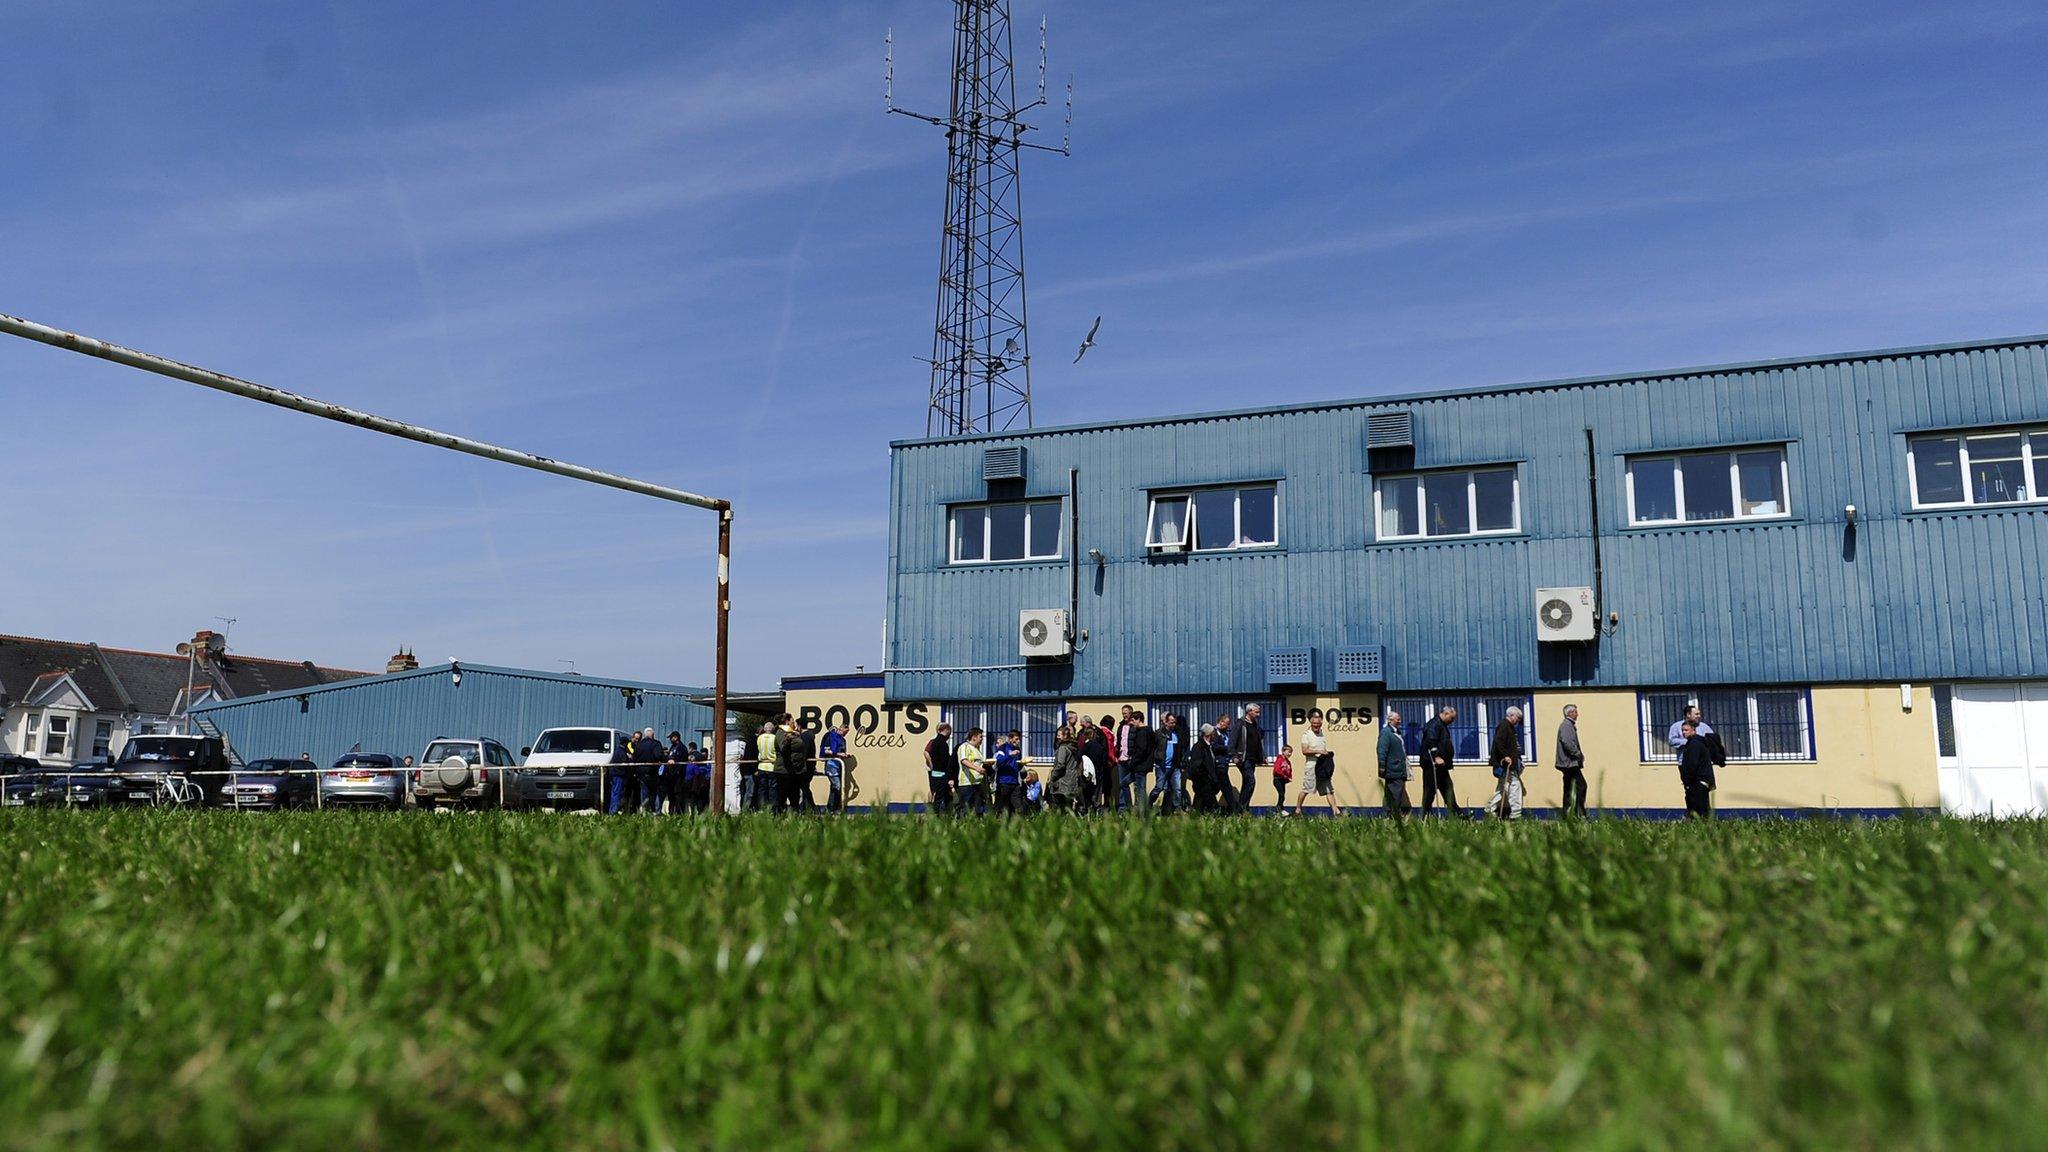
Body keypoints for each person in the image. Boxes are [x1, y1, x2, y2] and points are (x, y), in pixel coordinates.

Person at [1418, 706, 1463, 817]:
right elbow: (1431, 742)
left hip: (1442, 766)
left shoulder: (1442, 725)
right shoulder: (1434, 724)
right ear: (1446, 714)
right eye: (1452, 718)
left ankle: (1457, 815)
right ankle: (1424, 817)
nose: (1453, 721)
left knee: (1448, 788)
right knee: (1429, 792)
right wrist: (1436, 757)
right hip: (1432, 765)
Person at [1292, 712, 1337, 817]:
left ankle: (1336, 812)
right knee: (1306, 789)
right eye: (1314, 724)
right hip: (1311, 766)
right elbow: (1304, 751)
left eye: (1318, 724)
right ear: (1311, 724)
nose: (1316, 726)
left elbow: (1322, 749)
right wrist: (1319, 751)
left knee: (1329, 790)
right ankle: (1297, 810)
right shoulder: (1306, 735)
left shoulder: (1322, 734)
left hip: (1322, 766)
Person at [1676, 718, 1723, 818]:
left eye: (1686, 730)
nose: (1684, 732)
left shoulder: (1694, 744)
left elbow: (1692, 764)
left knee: (1698, 810)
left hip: (1697, 781)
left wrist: (1688, 780)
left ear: (1694, 730)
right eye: (1683, 730)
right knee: (1702, 808)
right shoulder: (1695, 743)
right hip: (1701, 781)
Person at [1488, 706, 1526, 820]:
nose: (1518, 721)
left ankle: (1489, 810)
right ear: (1512, 715)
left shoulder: (1509, 727)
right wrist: (1505, 756)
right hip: (1505, 763)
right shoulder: (1504, 726)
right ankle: (1516, 814)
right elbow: (1498, 742)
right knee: (1515, 786)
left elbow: (1513, 745)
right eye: (1518, 718)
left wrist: (1519, 759)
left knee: (1501, 788)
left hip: (1508, 762)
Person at [1149, 713, 1185, 814]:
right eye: (1171, 722)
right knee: (1159, 787)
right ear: (1166, 722)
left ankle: (1177, 808)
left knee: (1177, 788)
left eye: (1174, 722)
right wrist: (1156, 759)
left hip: (1175, 766)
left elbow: (1181, 749)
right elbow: (1153, 748)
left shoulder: (1177, 734)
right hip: (1162, 766)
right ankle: (1149, 803)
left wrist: (1182, 762)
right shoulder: (1159, 733)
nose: (1173, 724)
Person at [1119, 711, 1155, 814]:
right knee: (1124, 784)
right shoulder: (1149, 731)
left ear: (1139, 719)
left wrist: (1133, 762)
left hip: (1140, 766)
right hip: (1142, 765)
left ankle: (1142, 812)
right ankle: (1133, 808)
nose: (1132, 724)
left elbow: (1141, 750)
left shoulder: (1142, 732)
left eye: (1133, 721)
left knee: (1140, 789)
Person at [1232, 705, 1267, 811]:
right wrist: (1234, 755)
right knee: (1251, 781)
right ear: (1249, 711)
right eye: (1256, 712)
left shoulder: (1255, 724)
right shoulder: (1241, 723)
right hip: (1243, 759)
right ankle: (1241, 808)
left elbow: (1259, 739)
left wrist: (1262, 757)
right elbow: (1233, 739)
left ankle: (1243, 809)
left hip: (1252, 759)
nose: (1258, 714)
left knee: (1247, 783)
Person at [1555, 705, 1587, 817]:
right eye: (1575, 712)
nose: (1577, 714)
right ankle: (1579, 813)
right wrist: (1578, 754)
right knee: (1581, 786)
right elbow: (1567, 742)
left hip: (1568, 763)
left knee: (1569, 788)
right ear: (1570, 713)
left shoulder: (1568, 725)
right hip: (1569, 763)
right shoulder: (1567, 726)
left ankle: (1568, 814)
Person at [1377, 710, 1409, 818]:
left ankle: (1388, 814)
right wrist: (1382, 766)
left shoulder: (1396, 732)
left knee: (1391, 793)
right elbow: (1382, 750)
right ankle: (1394, 815)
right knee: (1395, 793)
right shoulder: (1386, 733)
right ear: (1390, 720)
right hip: (1393, 768)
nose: (1400, 721)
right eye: (1398, 719)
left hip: (1398, 767)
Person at [1188, 723, 1224, 812]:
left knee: (1199, 804)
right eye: (1213, 734)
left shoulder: (1208, 747)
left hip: (1207, 781)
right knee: (1212, 807)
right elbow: (1197, 766)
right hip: (1203, 781)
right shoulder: (1199, 747)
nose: (1214, 736)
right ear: (1209, 735)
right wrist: (1206, 778)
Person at [1077, 719, 1110, 812]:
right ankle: (1097, 810)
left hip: (1086, 774)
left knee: (1086, 792)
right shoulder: (1100, 747)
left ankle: (1085, 809)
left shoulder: (1084, 747)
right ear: (1093, 735)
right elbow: (1104, 758)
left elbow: (1078, 757)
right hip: (1099, 772)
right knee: (1097, 793)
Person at [923, 723, 957, 815]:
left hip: (935, 772)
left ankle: (938, 814)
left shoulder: (934, 742)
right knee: (942, 796)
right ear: (946, 730)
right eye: (950, 732)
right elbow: (944, 759)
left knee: (939, 795)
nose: (950, 735)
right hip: (942, 773)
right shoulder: (942, 743)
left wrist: (932, 766)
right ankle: (939, 815)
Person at [1048, 726, 1084, 811]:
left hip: (1062, 781)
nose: (1057, 737)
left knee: (1060, 807)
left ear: (1065, 736)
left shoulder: (1063, 748)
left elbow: (1060, 765)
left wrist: (1053, 776)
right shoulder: (1073, 747)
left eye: (1059, 735)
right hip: (1071, 780)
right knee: (1068, 806)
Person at [956, 727, 989, 815]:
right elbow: (964, 761)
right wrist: (977, 769)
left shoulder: (977, 750)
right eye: (980, 737)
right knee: (965, 807)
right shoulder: (964, 746)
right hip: (967, 783)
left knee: (977, 807)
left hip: (977, 783)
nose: (982, 739)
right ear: (974, 737)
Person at [992, 729, 1024, 814]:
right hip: (1003, 782)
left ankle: (1019, 824)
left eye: (1019, 739)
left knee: (1018, 807)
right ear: (1010, 739)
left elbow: (1018, 765)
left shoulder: (1018, 750)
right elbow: (999, 762)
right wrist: (1010, 755)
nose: (1018, 741)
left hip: (1015, 782)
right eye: (1016, 739)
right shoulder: (1003, 748)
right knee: (1001, 806)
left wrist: (1022, 764)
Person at [753, 720, 783, 812]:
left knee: (762, 789)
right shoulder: (774, 738)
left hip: (761, 766)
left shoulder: (759, 738)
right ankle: (772, 810)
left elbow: (758, 749)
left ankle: (762, 809)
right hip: (772, 766)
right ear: (773, 729)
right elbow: (778, 750)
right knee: (772, 790)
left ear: (765, 729)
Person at [820, 723, 849, 812]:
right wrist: (838, 754)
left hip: (838, 765)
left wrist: (844, 755)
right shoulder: (830, 737)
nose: (845, 734)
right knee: (837, 786)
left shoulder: (842, 740)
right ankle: (832, 808)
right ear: (841, 729)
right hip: (831, 765)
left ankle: (831, 808)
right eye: (845, 732)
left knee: (834, 787)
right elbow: (827, 751)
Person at [723, 732, 746, 814]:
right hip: (733, 747)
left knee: (730, 782)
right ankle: (733, 810)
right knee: (733, 781)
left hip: (727, 746)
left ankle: (730, 809)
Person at [1272, 743, 1294, 812]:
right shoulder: (1280, 760)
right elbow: (1277, 770)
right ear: (1283, 751)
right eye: (1288, 751)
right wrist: (1285, 776)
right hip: (1277, 779)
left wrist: (1289, 777)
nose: (1290, 754)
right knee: (1281, 795)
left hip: (1283, 780)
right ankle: (1278, 809)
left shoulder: (1288, 762)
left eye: (1291, 752)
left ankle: (1281, 808)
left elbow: (1289, 770)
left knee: (1283, 795)